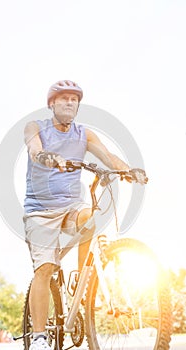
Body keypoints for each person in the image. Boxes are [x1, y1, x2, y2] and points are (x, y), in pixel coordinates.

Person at [23, 80, 147, 350]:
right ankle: (40, 337)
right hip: (40, 212)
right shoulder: (36, 127)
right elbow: (34, 148)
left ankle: (82, 278)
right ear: (51, 103)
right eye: (63, 98)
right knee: (45, 268)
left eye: (74, 99)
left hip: (70, 208)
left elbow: (108, 156)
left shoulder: (84, 134)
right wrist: (45, 156)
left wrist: (129, 170)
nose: (69, 102)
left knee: (90, 215)